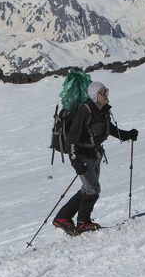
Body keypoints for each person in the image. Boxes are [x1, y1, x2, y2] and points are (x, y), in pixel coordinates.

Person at [52, 81, 138, 235]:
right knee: (93, 189)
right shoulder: (85, 111)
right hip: (82, 155)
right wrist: (75, 161)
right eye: (102, 92)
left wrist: (126, 135)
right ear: (94, 95)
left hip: (95, 154)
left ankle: (63, 218)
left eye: (106, 91)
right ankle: (83, 222)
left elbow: (109, 129)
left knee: (88, 189)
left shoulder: (103, 110)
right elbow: (72, 139)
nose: (106, 94)